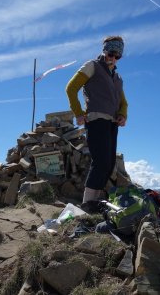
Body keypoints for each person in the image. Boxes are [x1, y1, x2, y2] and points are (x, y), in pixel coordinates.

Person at [65, 35, 128, 211]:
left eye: (117, 56)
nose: (113, 58)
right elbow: (71, 88)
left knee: (108, 165)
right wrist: (78, 113)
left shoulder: (117, 77)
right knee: (100, 163)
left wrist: (122, 115)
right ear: (105, 51)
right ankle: (86, 206)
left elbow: (123, 102)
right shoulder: (92, 66)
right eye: (111, 53)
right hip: (96, 120)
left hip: (112, 124)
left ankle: (92, 205)